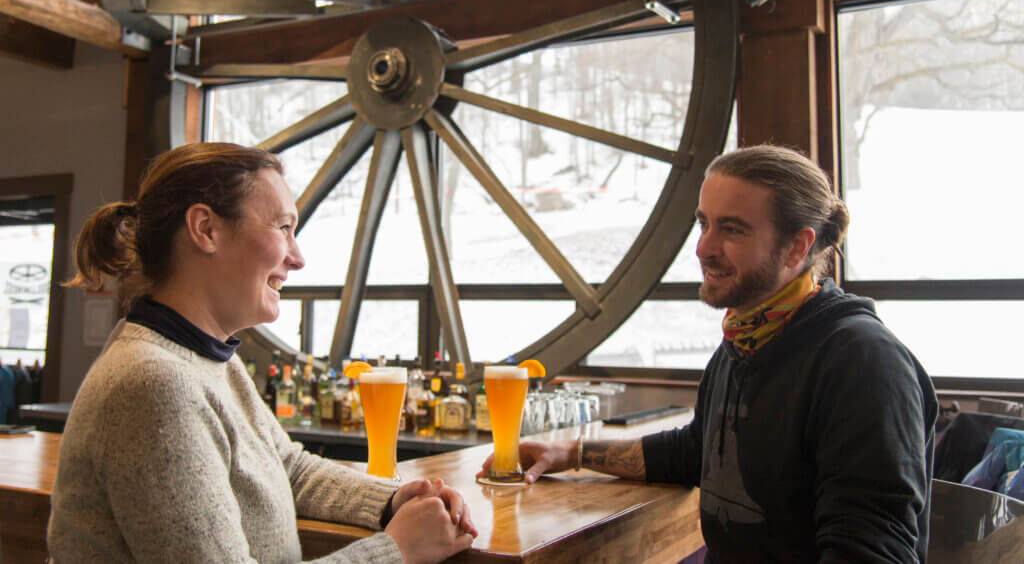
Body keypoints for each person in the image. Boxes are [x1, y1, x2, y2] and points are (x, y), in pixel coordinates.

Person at [480, 144, 938, 563]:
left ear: (798, 246)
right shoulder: (745, 340)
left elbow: (872, 552)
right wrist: (571, 453)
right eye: (703, 223)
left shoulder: (862, 363)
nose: (703, 248)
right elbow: (698, 451)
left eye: (732, 229)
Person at [49, 142, 476, 563]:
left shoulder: (207, 359)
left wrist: (395, 498)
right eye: (283, 227)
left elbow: (289, 467)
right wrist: (397, 550)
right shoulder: (154, 383)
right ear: (206, 230)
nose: (298, 258)